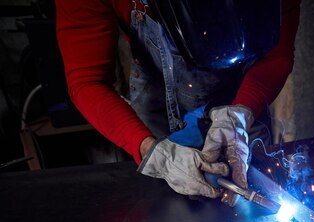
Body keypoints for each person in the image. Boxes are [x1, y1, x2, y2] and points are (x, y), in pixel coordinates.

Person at [56, 0, 299, 206]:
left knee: (251, 203)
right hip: (156, 96)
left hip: (241, 89)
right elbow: (86, 80)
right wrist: (151, 151)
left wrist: (241, 112)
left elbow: (277, 54)